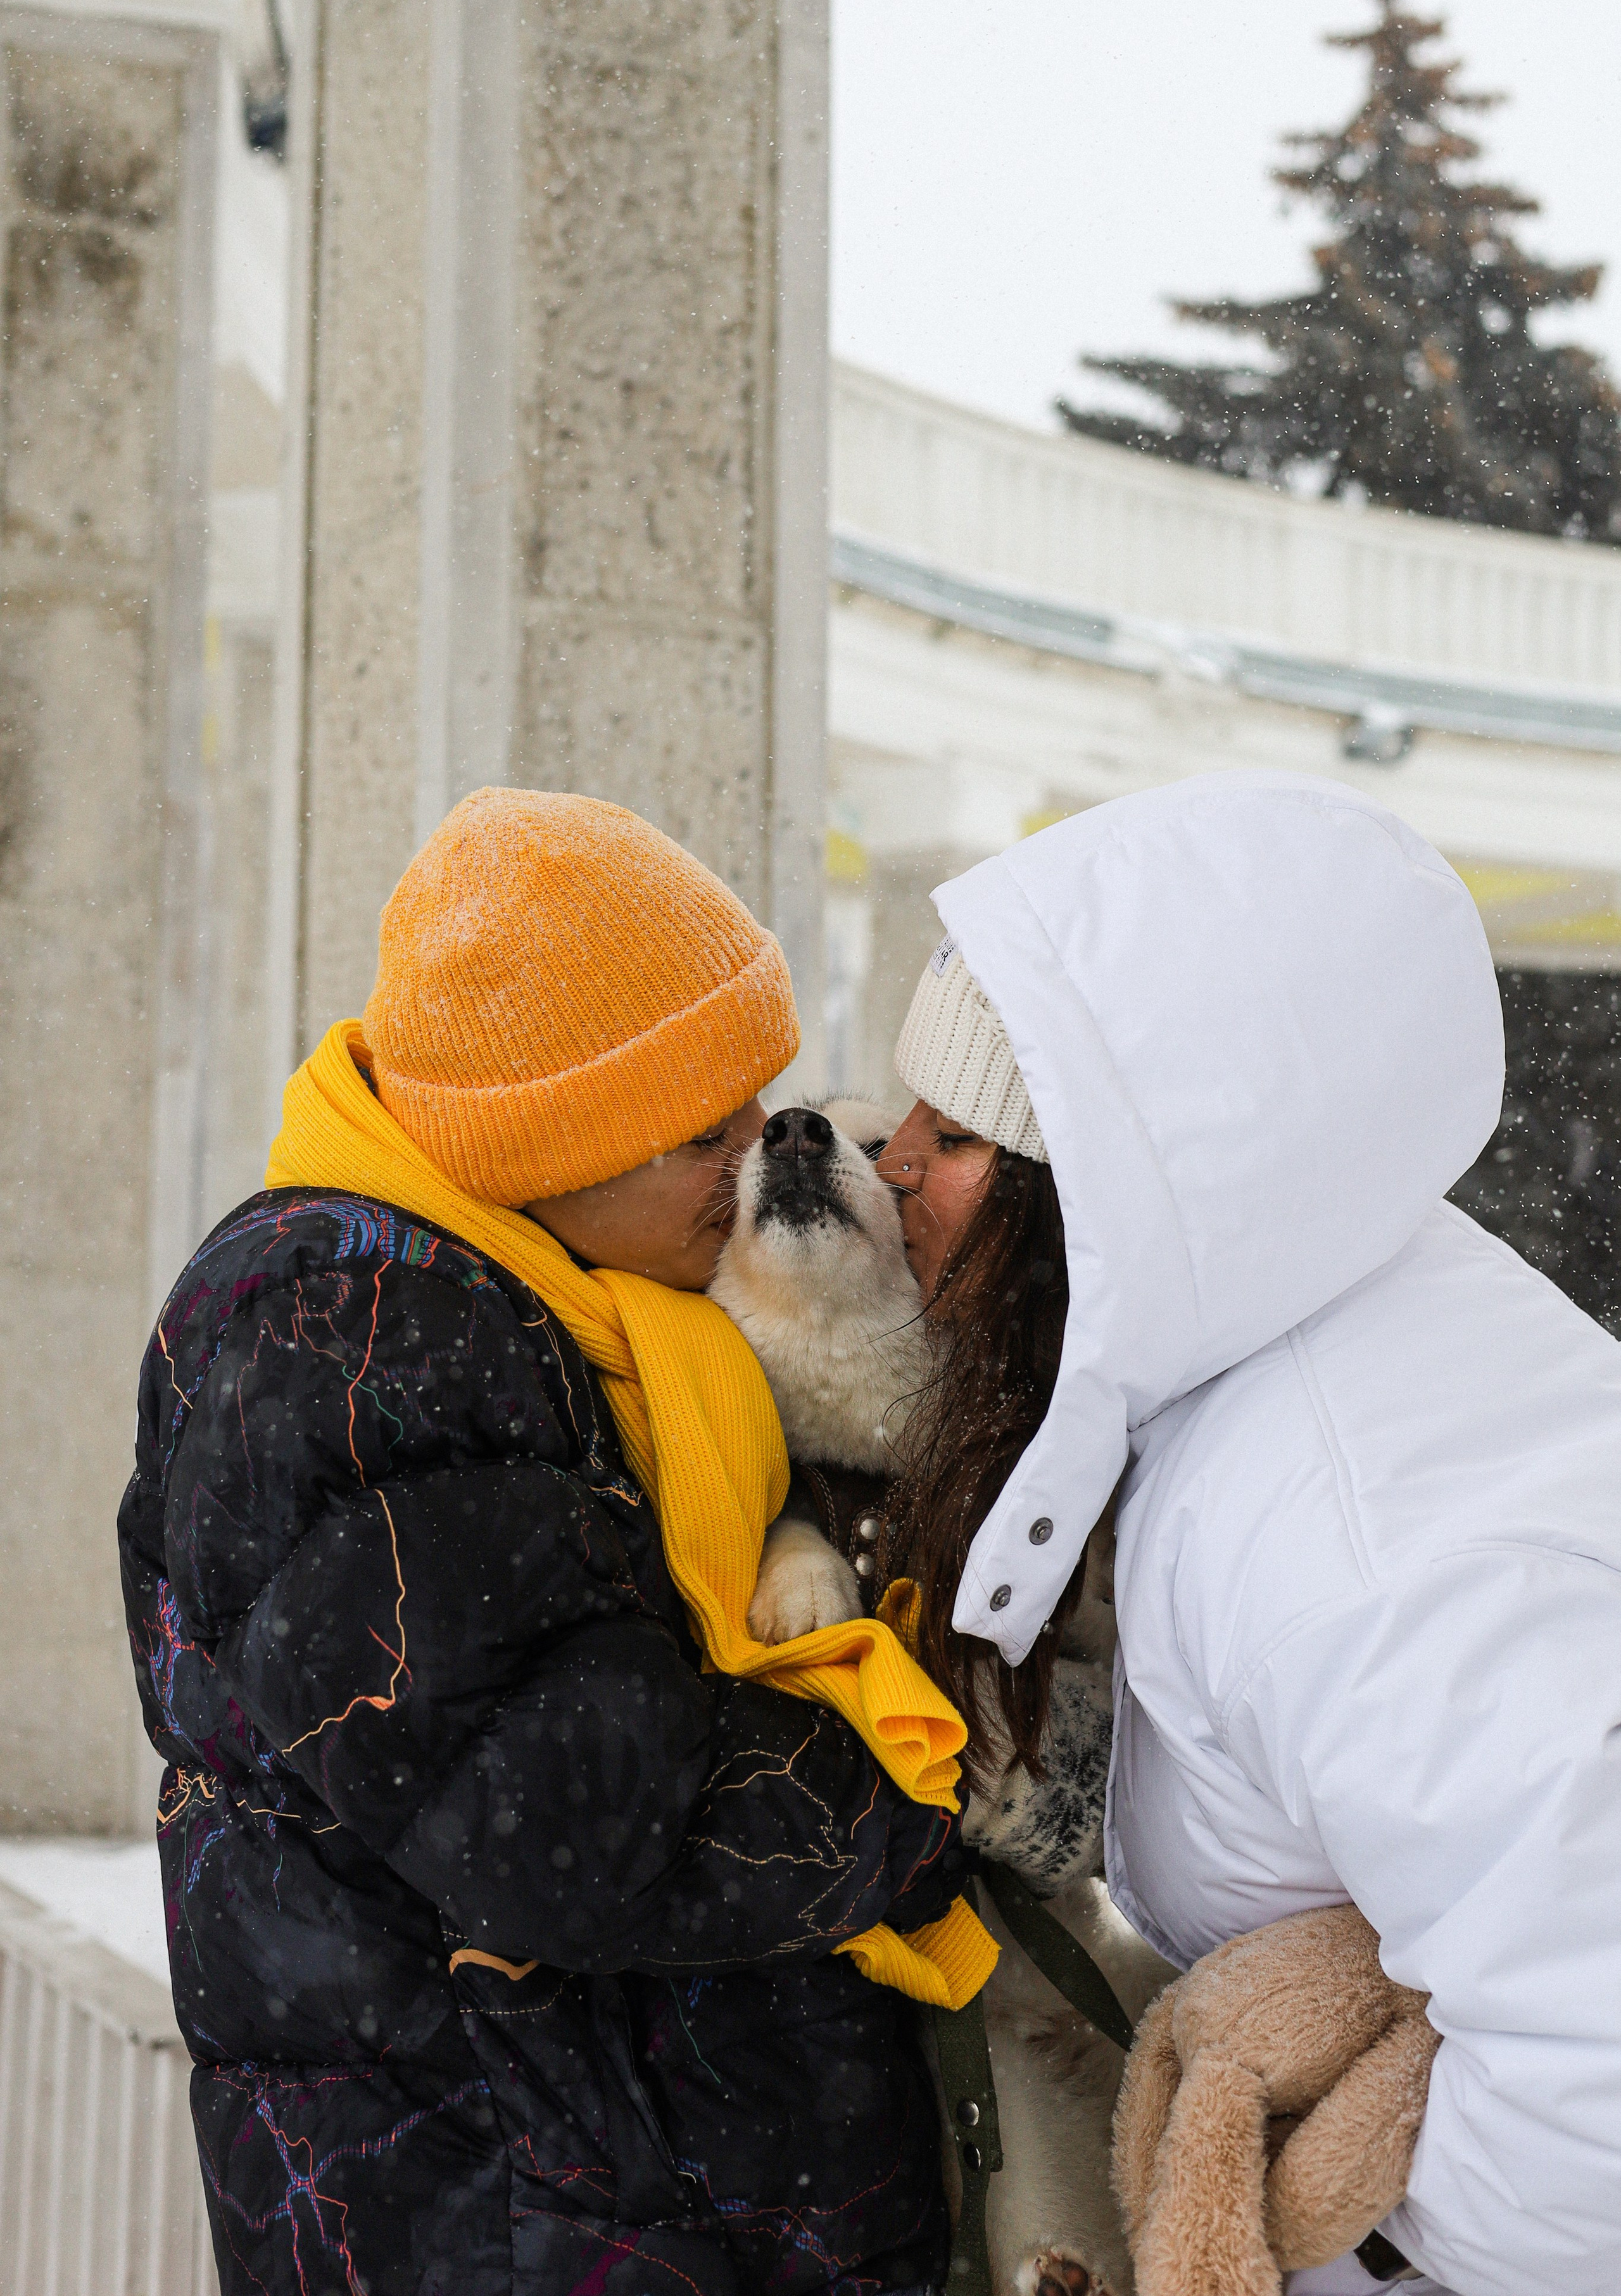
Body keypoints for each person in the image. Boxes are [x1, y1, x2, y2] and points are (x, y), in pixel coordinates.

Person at [118, 789, 972, 2296]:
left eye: (756, 1099)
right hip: (518, 2220)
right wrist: (943, 1777)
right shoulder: (347, 1342)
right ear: (544, 1145)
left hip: (596, 2194)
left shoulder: (533, 1304)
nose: (755, 1147)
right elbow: (577, 1837)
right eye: (695, 1132)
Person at [877, 771, 1621, 2296]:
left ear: (1103, 1204)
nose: (885, 1163)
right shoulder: (1296, 1307)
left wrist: (1355, 2247)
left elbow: (1596, 2078)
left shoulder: (1352, 1547)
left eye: (949, 1137)